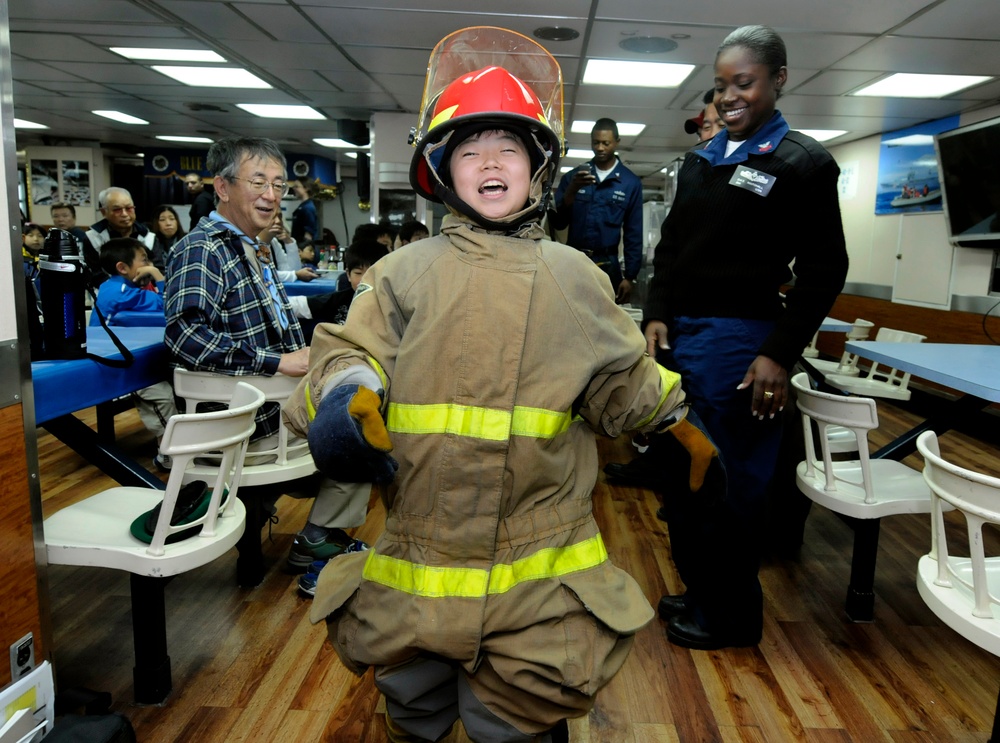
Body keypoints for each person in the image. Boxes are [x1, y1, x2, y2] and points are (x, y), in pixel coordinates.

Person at [284, 29, 718, 742]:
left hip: (538, 572)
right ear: (443, 171)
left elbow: (620, 376)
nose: (490, 161)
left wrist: (674, 426)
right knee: (412, 704)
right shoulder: (402, 272)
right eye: (469, 148)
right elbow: (346, 349)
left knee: (515, 718)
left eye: (508, 147)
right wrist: (345, 396)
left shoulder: (575, 276)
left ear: (538, 168)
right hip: (416, 559)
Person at [642, 25, 849, 651]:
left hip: (743, 346)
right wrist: (657, 312)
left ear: (778, 80)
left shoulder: (802, 163)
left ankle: (731, 616)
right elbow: (672, 250)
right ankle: (703, 590)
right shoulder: (703, 160)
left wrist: (777, 355)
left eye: (744, 82)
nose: (728, 96)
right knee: (685, 477)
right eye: (721, 84)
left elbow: (825, 270)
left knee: (732, 485)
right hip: (683, 340)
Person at [164, 136, 369, 572]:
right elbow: (185, 337)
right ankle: (318, 538)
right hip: (247, 422)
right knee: (366, 422)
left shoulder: (250, 248)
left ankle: (313, 531)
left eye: (277, 185)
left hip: (269, 405)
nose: (271, 195)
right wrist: (277, 362)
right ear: (221, 187)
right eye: (258, 182)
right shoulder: (204, 249)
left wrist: (307, 351)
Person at [97, 237, 178, 470]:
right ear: (122, 267)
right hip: (119, 366)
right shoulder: (117, 291)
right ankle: (168, 456)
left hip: (134, 359)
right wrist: (157, 275)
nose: (148, 264)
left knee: (176, 385)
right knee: (162, 397)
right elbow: (169, 303)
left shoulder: (127, 288)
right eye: (144, 260)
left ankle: (181, 445)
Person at [549, 118, 643, 304]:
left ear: (617, 142)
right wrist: (571, 191)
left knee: (605, 321)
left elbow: (634, 232)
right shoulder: (573, 177)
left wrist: (630, 276)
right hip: (574, 259)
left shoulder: (629, 183)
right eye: (595, 142)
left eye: (605, 143)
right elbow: (558, 223)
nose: (600, 148)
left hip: (608, 264)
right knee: (570, 314)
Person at [85, 187, 156, 286]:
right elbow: (94, 274)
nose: (124, 214)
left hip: (144, 291)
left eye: (129, 208)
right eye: (117, 209)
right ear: (104, 212)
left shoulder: (149, 235)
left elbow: (158, 268)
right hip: (109, 293)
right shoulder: (93, 237)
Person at [149, 204, 186, 274]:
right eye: (162, 220)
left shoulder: (187, 241)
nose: (168, 223)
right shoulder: (151, 243)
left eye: (172, 219)